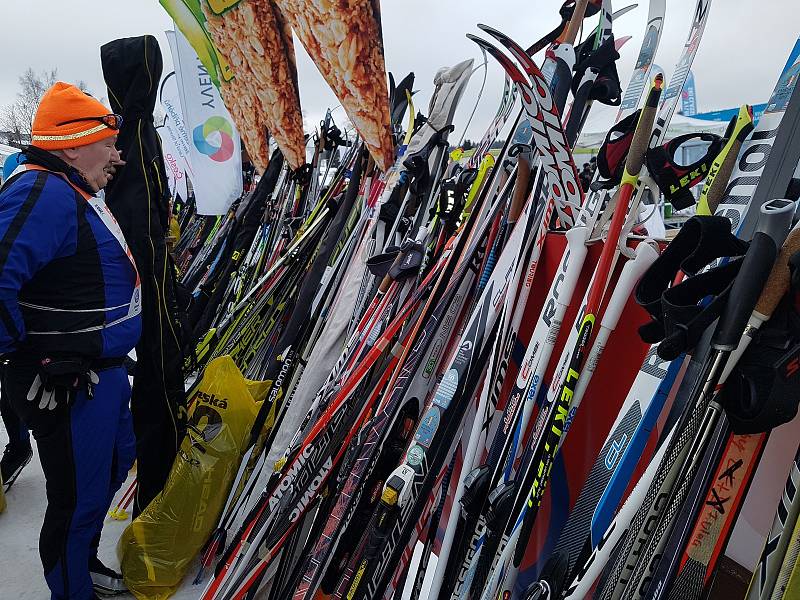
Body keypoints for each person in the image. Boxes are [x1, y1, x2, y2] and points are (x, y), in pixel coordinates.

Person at [0, 82, 141, 599]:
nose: (117, 155)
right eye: (109, 141)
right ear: (74, 143)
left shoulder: (72, 190)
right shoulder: (41, 191)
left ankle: (80, 565)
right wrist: (30, 357)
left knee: (111, 466)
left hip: (95, 373)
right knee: (76, 497)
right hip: (63, 380)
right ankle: (69, 588)